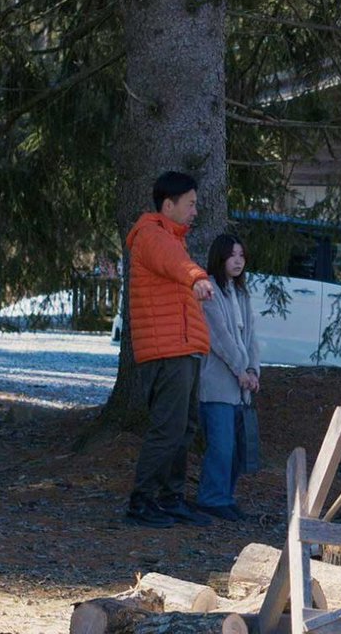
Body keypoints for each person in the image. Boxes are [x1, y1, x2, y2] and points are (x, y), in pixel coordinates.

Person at [124, 171, 214, 528]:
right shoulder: (152, 234)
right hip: (167, 352)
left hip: (181, 349)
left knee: (184, 427)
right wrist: (198, 277)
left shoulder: (172, 238)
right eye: (190, 204)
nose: (195, 210)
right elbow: (177, 266)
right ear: (168, 205)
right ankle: (141, 502)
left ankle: (170, 498)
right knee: (168, 428)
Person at [196, 233, 260, 521]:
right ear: (220, 257)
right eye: (232, 255)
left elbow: (251, 337)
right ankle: (211, 497)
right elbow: (218, 337)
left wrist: (253, 371)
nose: (238, 260)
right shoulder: (209, 291)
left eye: (242, 255)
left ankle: (225, 496)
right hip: (218, 383)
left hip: (240, 384)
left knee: (236, 448)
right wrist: (241, 370)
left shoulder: (241, 293)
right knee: (220, 445)